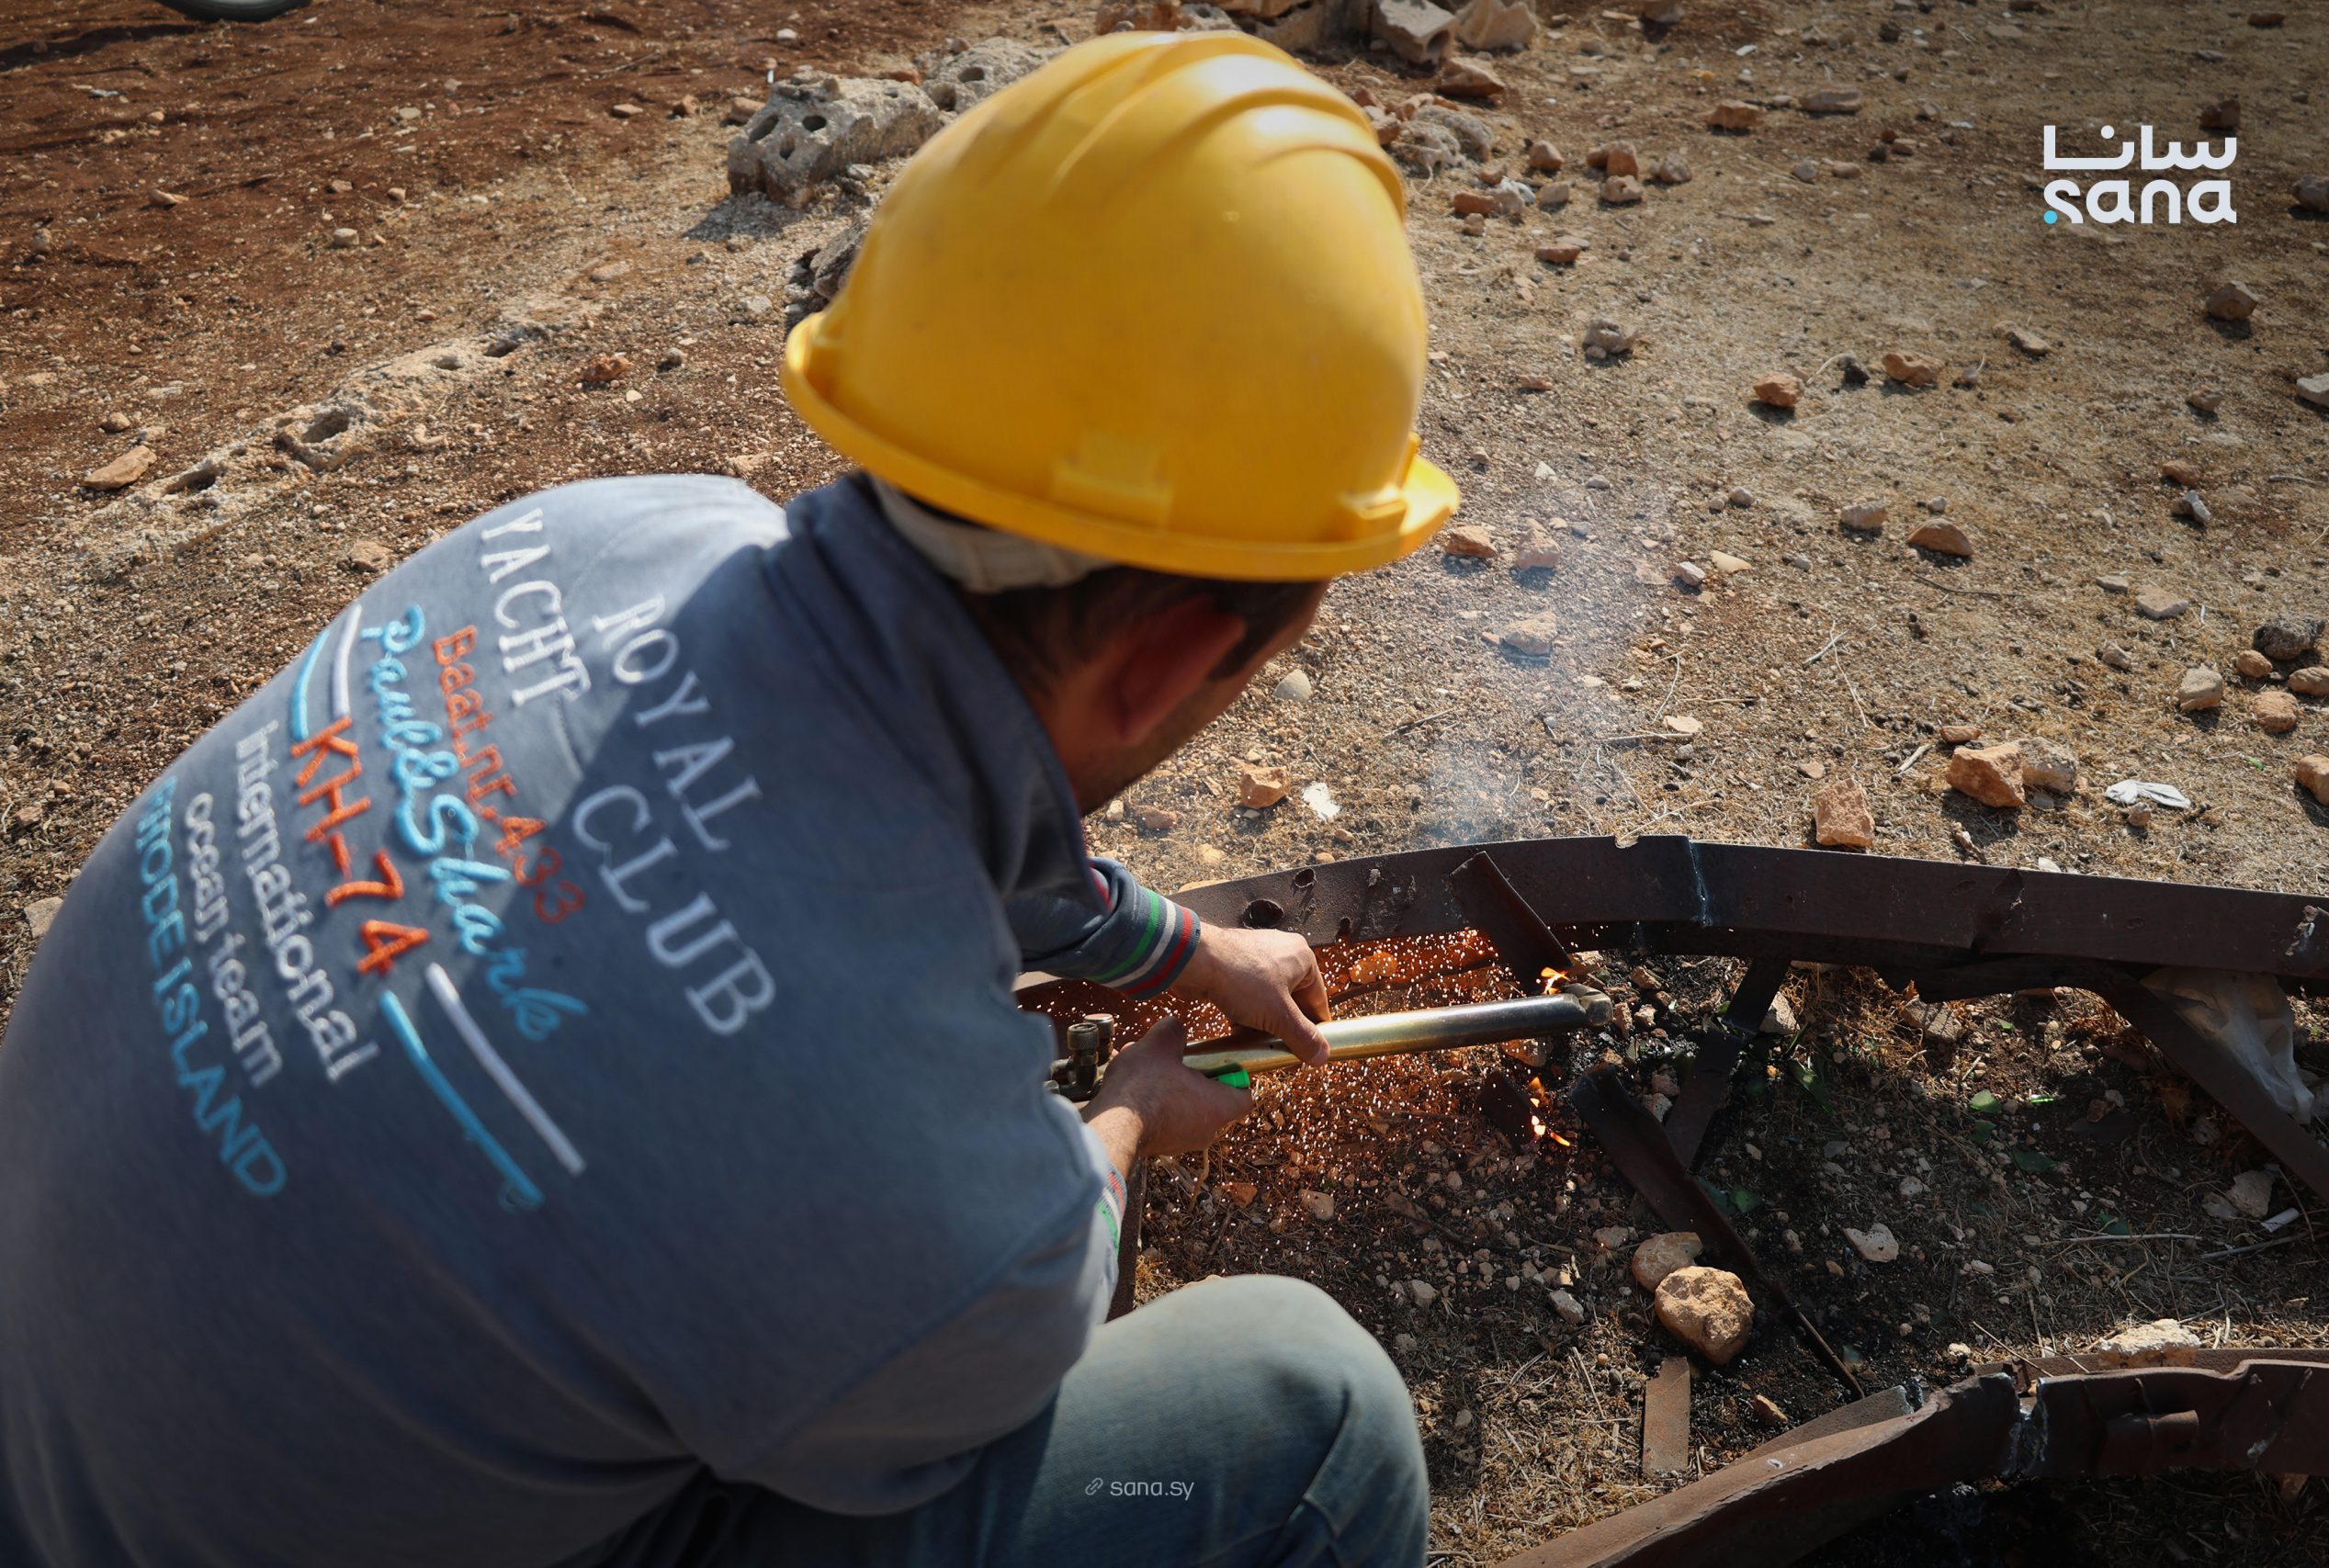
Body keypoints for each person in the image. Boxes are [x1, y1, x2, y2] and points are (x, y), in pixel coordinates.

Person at [0, 29, 1458, 1568]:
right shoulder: (926, 1205)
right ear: (1166, 660)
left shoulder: (618, 536)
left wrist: (1180, 947)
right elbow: (1027, 1267)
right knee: (1316, 1420)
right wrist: (1128, 1122)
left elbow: (908, 770)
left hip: (57, 1432)